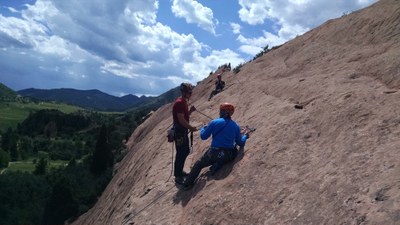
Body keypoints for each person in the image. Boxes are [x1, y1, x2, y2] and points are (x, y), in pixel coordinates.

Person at [181, 103, 249, 190]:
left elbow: (203, 136)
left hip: (212, 154)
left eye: (220, 110)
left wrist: (203, 128)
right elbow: (240, 143)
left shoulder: (214, 122)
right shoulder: (235, 126)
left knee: (198, 164)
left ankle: (187, 184)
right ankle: (218, 164)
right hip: (227, 155)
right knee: (233, 149)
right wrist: (245, 136)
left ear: (223, 112)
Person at [173, 82, 198, 185]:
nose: (191, 93)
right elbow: (181, 120)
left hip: (182, 131)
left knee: (186, 151)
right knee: (181, 153)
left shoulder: (183, 102)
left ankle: (180, 172)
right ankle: (178, 176)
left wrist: (190, 111)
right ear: (184, 92)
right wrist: (191, 128)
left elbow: (185, 116)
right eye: (189, 92)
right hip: (179, 132)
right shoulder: (179, 102)